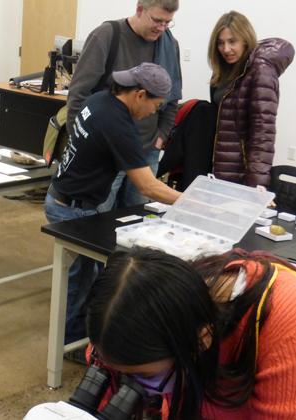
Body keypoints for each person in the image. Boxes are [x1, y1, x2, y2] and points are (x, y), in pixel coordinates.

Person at [45, 63, 181, 345]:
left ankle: (79, 334)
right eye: (155, 106)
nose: (154, 113)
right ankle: (69, 343)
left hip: (64, 195)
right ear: (140, 94)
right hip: (73, 207)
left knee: (90, 274)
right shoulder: (116, 123)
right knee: (79, 280)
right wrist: (194, 201)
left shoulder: (99, 99)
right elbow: (147, 185)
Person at [86, 247, 296, 419]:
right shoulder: (149, 309)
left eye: (144, 376)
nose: (131, 384)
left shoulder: (285, 324)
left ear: (201, 340)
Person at [67, 0, 182, 208]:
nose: (162, 28)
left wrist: (161, 137)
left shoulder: (169, 45)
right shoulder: (107, 36)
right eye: (157, 20)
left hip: (147, 149)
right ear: (139, 10)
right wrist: (81, 143)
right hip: (107, 151)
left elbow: (172, 98)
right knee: (97, 220)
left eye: (168, 23)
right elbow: (78, 94)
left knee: (136, 220)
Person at [209, 11, 294, 188]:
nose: (226, 49)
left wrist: (257, 184)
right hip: (220, 168)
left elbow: (263, 132)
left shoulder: (260, 70)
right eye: (220, 43)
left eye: (232, 41)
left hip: (242, 173)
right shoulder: (224, 71)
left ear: (245, 39)